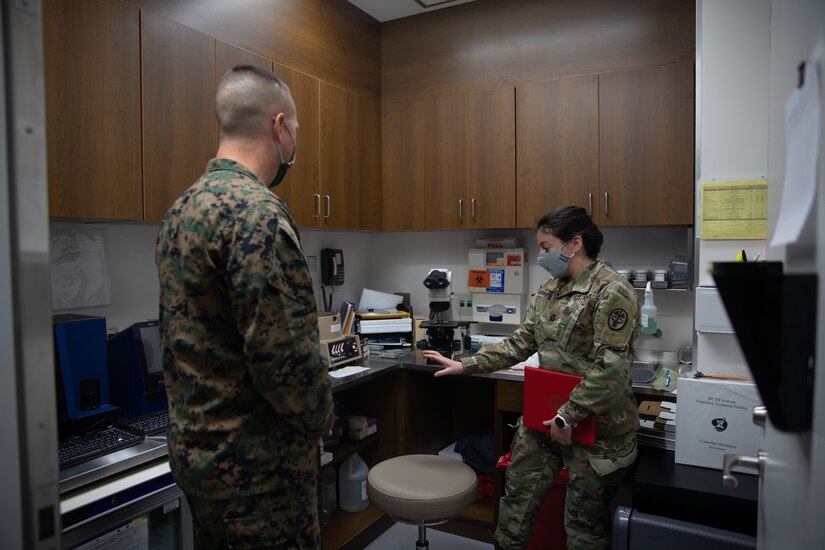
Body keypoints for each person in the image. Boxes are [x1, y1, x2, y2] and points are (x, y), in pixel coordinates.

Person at [156, 65, 333, 549]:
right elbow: (287, 362)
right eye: (295, 130)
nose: (294, 141)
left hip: (199, 461)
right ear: (278, 127)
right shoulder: (258, 214)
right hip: (260, 475)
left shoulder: (182, 210)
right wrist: (321, 421)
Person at [423, 205, 640, 549]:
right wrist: (466, 364)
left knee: (584, 526)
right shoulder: (549, 290)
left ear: (574, 244)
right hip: (546, 418)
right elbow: (520, 343)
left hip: (596, 429)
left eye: (545, 247)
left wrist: (568, 415)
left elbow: (610, 367)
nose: (540, 255)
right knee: (515, 504)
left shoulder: (612, 291)